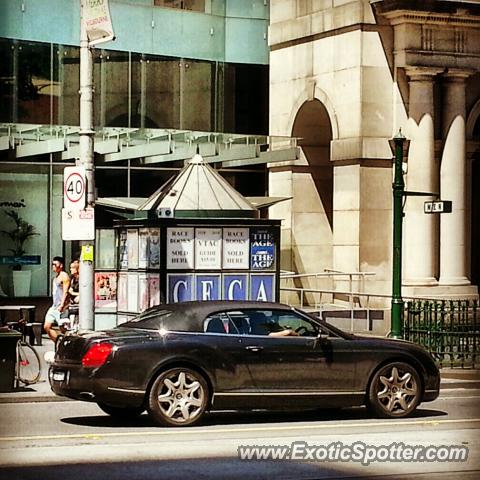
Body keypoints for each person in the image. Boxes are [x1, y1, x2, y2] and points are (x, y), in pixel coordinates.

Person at [44, 256, 70, 342]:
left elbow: (65, 291)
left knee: (63, 328)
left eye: (55, 264)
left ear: (61, 265)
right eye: (52, 264)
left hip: (61, 306)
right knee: (47, 326)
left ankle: (67, 345)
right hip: (54, 306)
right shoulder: (55, 278)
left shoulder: (64, 276)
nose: (53, 266)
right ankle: (58, 343)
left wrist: (62, 305)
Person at [68, 259, 80, 328]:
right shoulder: (72, 278)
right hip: (72, 303)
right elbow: (70, 290)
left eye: (73, 268)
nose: (71, 270)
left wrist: (73, 293)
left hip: (79, 303)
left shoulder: (82, 278)